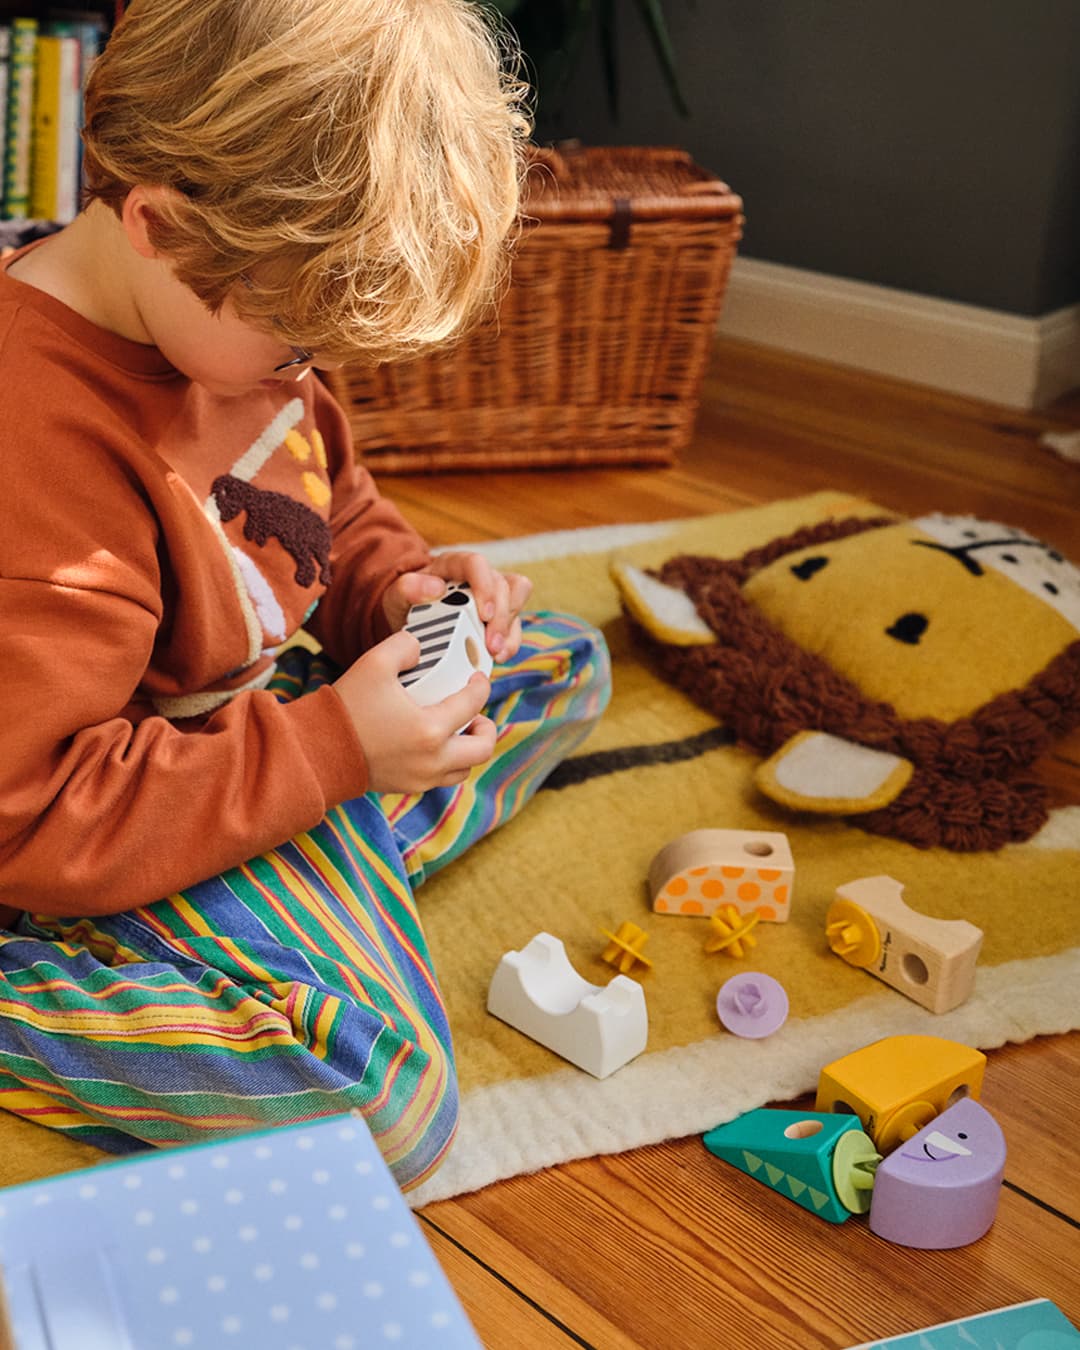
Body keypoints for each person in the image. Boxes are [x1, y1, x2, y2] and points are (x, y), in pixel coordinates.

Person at [0, 0, 610, 1192]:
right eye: (293, 343)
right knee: (382, 1103)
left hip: (231, 731)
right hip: (73, 816)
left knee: (558, 654)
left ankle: (315, 867)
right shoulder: (41, 454)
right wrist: (334, 752)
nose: (306, 371)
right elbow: (33, 814)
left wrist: (401, 592)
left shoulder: (221, 312)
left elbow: (330, 509)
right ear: (158, 225)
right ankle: (266, 897)